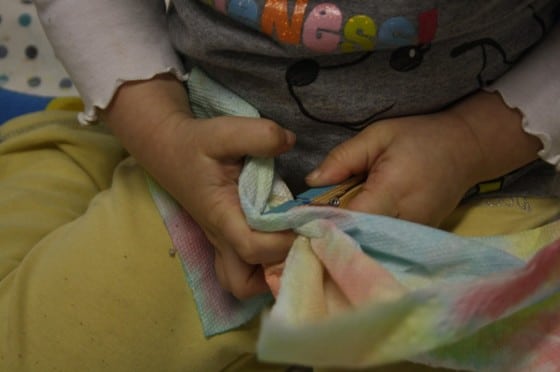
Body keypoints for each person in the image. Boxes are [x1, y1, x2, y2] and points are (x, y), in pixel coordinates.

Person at [1, 0, 559, 370]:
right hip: (194, 165)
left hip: (483, 181)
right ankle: (88, 147)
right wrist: (158, 128)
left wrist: (472, 141)